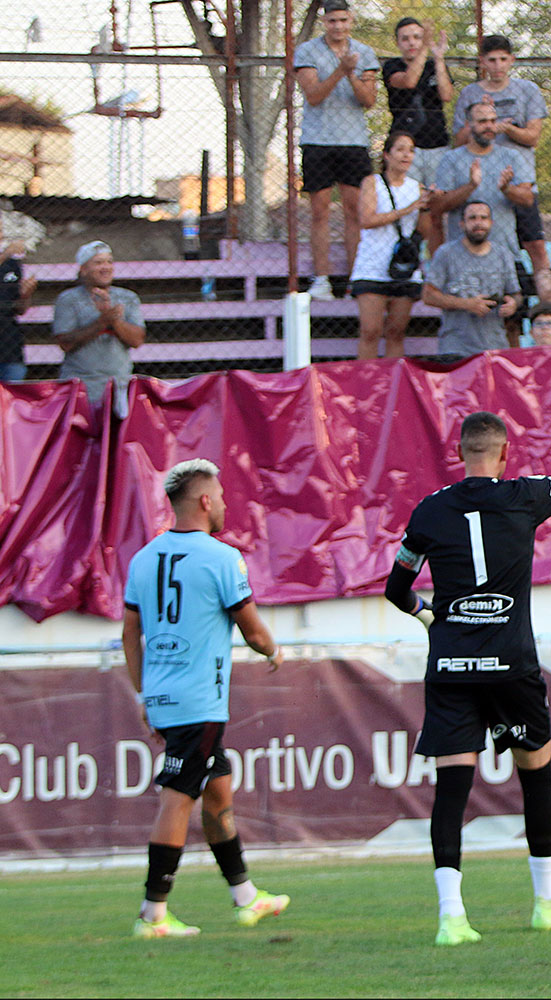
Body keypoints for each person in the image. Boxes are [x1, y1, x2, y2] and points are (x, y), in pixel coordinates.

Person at [384, 399, 551, 945]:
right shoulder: (524, 494)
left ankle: (451, 918)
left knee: (451, 793)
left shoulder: (429, 511)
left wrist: (432, 615)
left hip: (453, 667)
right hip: (512, 664)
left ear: (459, 453)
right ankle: (544, 901)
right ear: (506, 453)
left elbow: (396, 589)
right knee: (535, 778)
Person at [121, 459, 287, 937]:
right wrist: (275, 651)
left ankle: (246, 897)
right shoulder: (221, 558)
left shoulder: (143, 558)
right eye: (221, 494)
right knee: (178, 799)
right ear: (205, 501)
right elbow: (252, 628)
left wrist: (143, 693)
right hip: (201, 703)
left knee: (218, 790)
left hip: (166, 698)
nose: (227, 503)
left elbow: (131, 633)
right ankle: (153, 913)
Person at [293, 0, 379, 301]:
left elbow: (369, 100)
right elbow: (314, 95)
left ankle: (357, 280)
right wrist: (340, 71)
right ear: (324, 22)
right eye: (332, 21)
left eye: (343, 20)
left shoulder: (364, 52)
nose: (338, 26)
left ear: (351, 20)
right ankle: (322, 279)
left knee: (355, 211)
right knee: (319, 211)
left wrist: (352, 74)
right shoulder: (307, 51)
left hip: (353, 142)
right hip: (318, 140)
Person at [451, 34, 550, 279]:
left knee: (535, 244)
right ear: (482, 61)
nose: (497, 66)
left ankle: (546, 304)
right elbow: (458, 140)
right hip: (484, 183)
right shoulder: (470, 94)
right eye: (491, 60)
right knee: (488, 244)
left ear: (512, 60)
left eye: (503, 59)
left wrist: (507, 128)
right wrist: (480, 116)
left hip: (520, 180)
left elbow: (533, 137)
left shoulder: (527, 90)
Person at [431, 100, 534, 306]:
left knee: (511, 322)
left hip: (505, 253)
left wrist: (507, 189)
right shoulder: (451, 159)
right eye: (482, 121)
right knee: (466, 316)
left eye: (493, 121)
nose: (489, 126)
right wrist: (470, 186)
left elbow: (528, 199)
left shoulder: (511, 156)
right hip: (462, 258)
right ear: (469, 125)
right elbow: (438, 207)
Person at [349, 132, 428, 360]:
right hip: (373, 267)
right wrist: (408, 209)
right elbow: (367, 219)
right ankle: (367, 384)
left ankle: (394, 386)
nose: (406, 155)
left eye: (411, 150)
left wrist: (428, 206)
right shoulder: (373, 183)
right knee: (370, 331)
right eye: (401, 149)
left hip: (403, 268)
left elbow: (424, 230)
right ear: (387, 155)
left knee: (396, 333)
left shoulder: (417, 188)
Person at [382, 18, 451, 251]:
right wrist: (423, 51)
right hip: (406, 149)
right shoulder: (392, 66)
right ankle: (407, 263)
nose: (412, 43)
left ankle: (435, 267)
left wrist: (439, 58)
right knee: (408, 209)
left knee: (437, 211)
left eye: (417, 37)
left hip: (437, 146)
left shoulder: (434, 65)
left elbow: (447, 94)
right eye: (406, 38)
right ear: (398, 42)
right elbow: (409, 81)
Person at [53, 240, 145, 413]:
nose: (106, 267)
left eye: (109, 262)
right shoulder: (68, 299)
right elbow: (65, 342)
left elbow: (137, 340)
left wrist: (114, 321)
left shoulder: (128, 297)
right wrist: (102, 322)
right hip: (80, 385)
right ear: (83, 269)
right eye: (98, 262)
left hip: (120, 384)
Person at [422, 201, 521, 358]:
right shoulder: (446, 253)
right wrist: (467, 304)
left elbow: (515, 294)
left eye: (483, 218)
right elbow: (428, 295)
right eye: (472, 218)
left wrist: (513, 304)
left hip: (495, 345)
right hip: (455, 346)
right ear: (462, 224)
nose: (478, 223)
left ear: (491, 223)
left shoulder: (503, 255)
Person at [0, 229, 36, 382]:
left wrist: (26, 294)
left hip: (9, 348)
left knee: (12, 400)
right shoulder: (6, 257)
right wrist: (6, 254)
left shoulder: (12, 264)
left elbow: (20, 309)